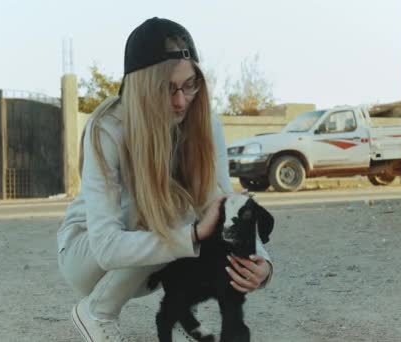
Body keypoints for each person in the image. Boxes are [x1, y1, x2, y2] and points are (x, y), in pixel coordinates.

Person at [57, 17, 273, 342]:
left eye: (189, 85)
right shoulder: (109, 129)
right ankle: (97, 312)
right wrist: (193, 235)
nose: (181, 100)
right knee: (174, 204)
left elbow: (226, 205)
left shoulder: (203, 123)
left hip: (152, 258)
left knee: (206, 206)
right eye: (167, 88)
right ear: (142, 86)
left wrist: (264, 265)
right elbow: (104, 247)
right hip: (87, 256)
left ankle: (183, 318)